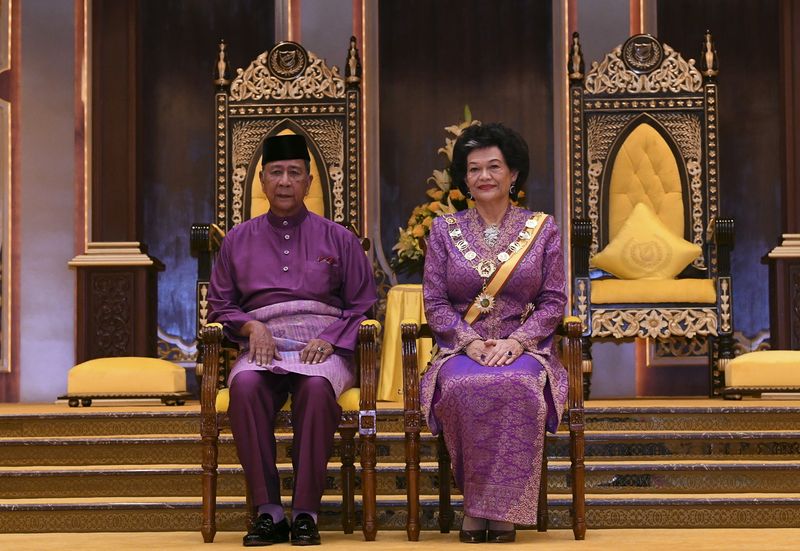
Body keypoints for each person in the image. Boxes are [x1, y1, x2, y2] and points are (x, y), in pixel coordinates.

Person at [207, 134, 377, 547]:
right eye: (277, 173)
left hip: (322, 343)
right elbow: (219, 306)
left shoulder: (339, 238)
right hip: (261, 342)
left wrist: (332, 338)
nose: (285, 182)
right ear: (262, 182)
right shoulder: (236, 240)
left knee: (317, 390)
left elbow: (364, 305)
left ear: (308, 182)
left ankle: (305, 513)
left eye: (294, 174)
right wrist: (252, 328)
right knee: (244, 386)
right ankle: (268, 512)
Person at [420, 123, 568, 544]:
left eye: (494, 166)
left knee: (519, 386)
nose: (484, 176)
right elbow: (434, 303)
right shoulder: (443, 231)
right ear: (464, 179)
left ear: (514, 174)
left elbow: (554, 301)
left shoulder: (542, 229)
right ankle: (476, 506)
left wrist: (516, 341)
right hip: (459, 350)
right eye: (473, 169)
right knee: (464, 388)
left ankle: (500, 512)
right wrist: (468, 341)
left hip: (524, 347)